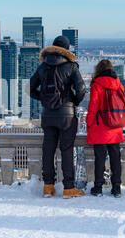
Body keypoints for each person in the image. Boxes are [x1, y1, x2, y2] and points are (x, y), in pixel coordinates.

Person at [30, 36, 86, 198]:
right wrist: (73, 101)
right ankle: (69, 188)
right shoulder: (71, 67)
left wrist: (43, 98)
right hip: (67, 115)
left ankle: (48, 186)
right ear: (67, 50)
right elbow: (81, 89)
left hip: (48, 115)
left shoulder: (42, 67)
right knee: (66, 150)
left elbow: (30, 88)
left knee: (48, 150)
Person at [86, 59, 125, 198]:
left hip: (100, 127)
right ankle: (116, 188)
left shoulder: (97, 85)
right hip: (115, 126)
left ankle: (98, 187)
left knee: (100, 158)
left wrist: (89, 122)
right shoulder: (119, 84)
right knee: (115, 158)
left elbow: (93, 106)